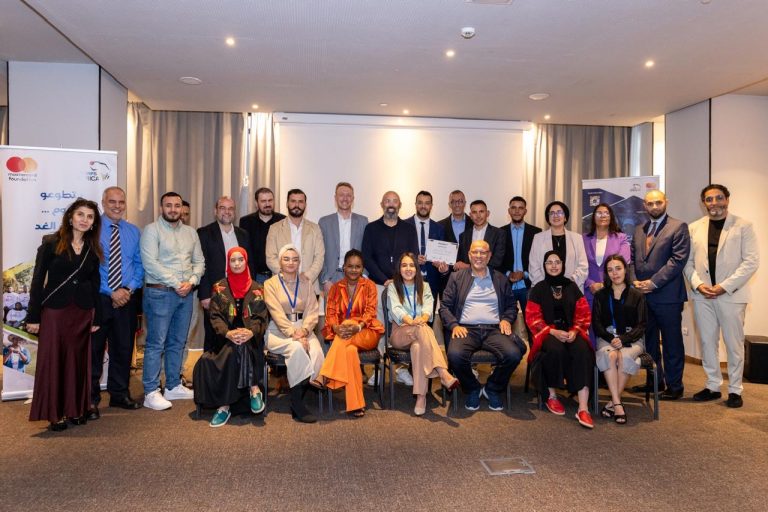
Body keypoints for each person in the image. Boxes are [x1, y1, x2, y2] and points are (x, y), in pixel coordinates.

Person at [26, 198, 103, 432]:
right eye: (80, 214)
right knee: (54, 361)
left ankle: (75, 409)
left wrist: (97, 317)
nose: (84, 220)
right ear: (70, 217)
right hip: (56, 312)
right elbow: (37, 281)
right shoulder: (51, 243)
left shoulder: (93, 249)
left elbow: (95, 285)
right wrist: (33, 317)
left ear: (93, 223)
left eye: (90, 217)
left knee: (78, 362)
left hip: (82, 312)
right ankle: (55, 413)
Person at [684, 184, 759, 408]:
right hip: (702, 295)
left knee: (733, 344)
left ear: (727, 199)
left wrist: (724, 286)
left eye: (719, 198)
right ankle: (713, 386)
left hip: (731, 296)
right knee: (708, 342)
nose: (714, 203)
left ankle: (735, 389)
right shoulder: (694, 227)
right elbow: (687, 263)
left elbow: (751, 262)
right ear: (704, 203)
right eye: (709, 199)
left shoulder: (743, 226)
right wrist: (698, 284)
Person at [440, 240, 526, 411]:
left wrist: (506, 319)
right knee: (455, 355)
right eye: (475, 252)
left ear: (489, 256)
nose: (479, 256)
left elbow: (511, 306)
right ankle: (472, 388)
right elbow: (445, 307)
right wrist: (454, 325)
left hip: (494, 329)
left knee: (513, 354)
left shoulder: (500, 279)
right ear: (469, 255)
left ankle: (492, 388)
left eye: (483, 252)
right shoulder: (456, 277)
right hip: (466, 329)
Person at [140, 191, 205, 411]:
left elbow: (199, 262)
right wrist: (178, 283)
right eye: (168, 205)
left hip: (185, 294)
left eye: (177, 206)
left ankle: (173, 385)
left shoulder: (190, 232)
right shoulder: (152, 230)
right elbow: (150, 264)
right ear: (161, 208)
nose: (173, 210)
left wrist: (192, 281)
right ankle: (150, 391)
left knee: (178, 342)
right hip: (160, 294)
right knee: (156, 343)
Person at [193, 247, 269, 427]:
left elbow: (261, 318)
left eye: (240, 260)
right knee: (236, 346)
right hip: (224, 340)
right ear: (228, 263)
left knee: (242, 344)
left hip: (251, 340)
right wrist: (228, 333)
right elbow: (215, 317)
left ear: (246, 261)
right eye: (233, 260)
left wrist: (250, 332)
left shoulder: (257, 288)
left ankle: (224, 407)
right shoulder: (219, 288)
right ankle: (254, 389)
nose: (236, 263)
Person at [90, 186, 145, 420]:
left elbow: (139, 265)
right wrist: (111, 291)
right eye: (112, 201)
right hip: (99, 298)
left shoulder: (133, 231)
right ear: (103, 202)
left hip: (127, 298)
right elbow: (90, 269)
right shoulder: (92, 229)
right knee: (94, 350)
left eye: (121, 202)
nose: (117, 206)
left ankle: (119, 394)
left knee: (123, 348)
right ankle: (90, 399)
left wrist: (128, 289)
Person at [632, 190, 690, 400]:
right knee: (649, 343)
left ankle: (675, 386)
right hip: (643, 296)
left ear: (666, 202)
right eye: (650, 203)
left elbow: (677, 260)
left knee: (671, 342)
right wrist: (634, 281)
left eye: (658, 202)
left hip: (668, 297)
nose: (654, 206)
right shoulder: (639, 229)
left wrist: (653, 282)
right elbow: (633, 260)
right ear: (644, 206)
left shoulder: (678, 226)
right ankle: (655, 382)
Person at [526, 251, 594, 429]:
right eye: (549, 262)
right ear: (544, 266)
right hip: (548, 333)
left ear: (563, 264)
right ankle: (552, 395)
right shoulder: (538, 288)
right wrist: (553, 332)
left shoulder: (572, 286)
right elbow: (532, 318)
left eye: (557, 262)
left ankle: (583, 407)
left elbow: (584, 313)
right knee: (554, 350)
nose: (554, 265)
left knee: (582, 350)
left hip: (572, 331)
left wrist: (575, 330)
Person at [387, 252, 459, 416]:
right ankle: (442, 372)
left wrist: (423, 318)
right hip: (400, 332)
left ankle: (421, 397)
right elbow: (396, 309)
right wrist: (411, 321)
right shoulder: (393, 286)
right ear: (399, 269)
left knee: (418, 347)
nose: (408, 269)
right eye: (404, 265)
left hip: (419, 331)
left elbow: (428, 307)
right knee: (423, 329)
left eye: (412, 265)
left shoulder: (425, 286)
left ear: (417, 268)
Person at [361, 190, 418, 386]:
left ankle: (401, 369)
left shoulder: (409, 229)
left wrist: (398, 280)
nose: (391, 204)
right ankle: (378, 369)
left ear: (400, 205)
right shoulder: (371, 228)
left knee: (402, 325)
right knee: (379, 326)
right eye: (387, 201)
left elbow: (412, 256)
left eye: (394, 201)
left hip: (404, 286)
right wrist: (384, 279)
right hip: (378, 285)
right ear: (382, 204)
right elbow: (367, 257)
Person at [263, 244, 325, 423]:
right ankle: (297, 404)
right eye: (286, 259)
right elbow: (276, 313)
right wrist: (294, 334)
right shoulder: (270, 284)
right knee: (297, 349)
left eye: (295, 259)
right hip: (278, 331)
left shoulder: (306, 282)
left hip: (304, 328)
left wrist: (304, 331)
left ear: (299, 263)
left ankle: (301, 391)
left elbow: (312, 311)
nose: (291, 263)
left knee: (317, 352)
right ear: (280, 262)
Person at [319, 249, 383, 417]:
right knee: (350, 351)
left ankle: (324, 375)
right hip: (344, 336)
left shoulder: (369, 286)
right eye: (350, 266)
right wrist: (335, 328)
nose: (354, 270)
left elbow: (370, 312)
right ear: (344, 267)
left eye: (357, 266)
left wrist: (358, 326)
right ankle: (356, 404)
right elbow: (331, 314)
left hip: (366, 333)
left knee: (348, 323)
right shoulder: (335, 288)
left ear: (362, 269)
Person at [592, 255, 646, 425]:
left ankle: (613, 403)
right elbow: (596, 324)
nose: (614, 273)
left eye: (618, 268)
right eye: (610, 270)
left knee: (624, 356)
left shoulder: (637, 295)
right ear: (606, 274)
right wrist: (611, 338)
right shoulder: (600, 295)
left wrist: (624, 339)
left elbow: (642, 325)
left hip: (632, 337)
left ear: (625, 270)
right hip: (607, 337)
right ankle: (617, 403)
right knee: (611, 355)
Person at [197, 196, 252, 352]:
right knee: (213, 335)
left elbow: (250, 264)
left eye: (230, 208)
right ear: (215, 211)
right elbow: (201, 264)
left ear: (234, 212)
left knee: (237, 335)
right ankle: (211, 366)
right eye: (222, 208)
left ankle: (234, 366)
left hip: (240, 293)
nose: (227, 212)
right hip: (215, 294)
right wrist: (204, 295)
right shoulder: (204, 233)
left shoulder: (243, 234)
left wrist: (251, 292)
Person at [265, 188, 325, 295]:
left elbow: (319, 257)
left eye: (300, 202)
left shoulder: (315, 228)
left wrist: (307, 276)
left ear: (305, 205)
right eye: (293, 201)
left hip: (309, 286)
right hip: (282, 286)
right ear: (287, 203)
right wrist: (287, 276)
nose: (296, 205)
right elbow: (270, 258)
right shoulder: (274, 228)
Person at [318, 182, 368, 295]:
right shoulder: (324, 222)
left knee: (357, 307)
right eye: (341, 195)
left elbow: (367, 252)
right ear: (335, 197)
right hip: (331, 279)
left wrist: (364, 276)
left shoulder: (363, 221)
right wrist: (325, 280)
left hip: (357, 276)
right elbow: (319, 253)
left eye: (348, 195)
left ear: (353, 198)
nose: (345, 198)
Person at [403, 190, 449, 315]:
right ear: (415, 204)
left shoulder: (439, 228)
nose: (423, 206)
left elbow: (443, 254)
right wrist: (413, 259)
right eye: (420, 203)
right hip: (409, 279)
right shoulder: (404, 225)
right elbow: (400, 252)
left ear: (431, 206)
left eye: (427, 203)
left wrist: (441, 264)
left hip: (432, 281)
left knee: (428, 318)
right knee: (408, 318)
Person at [529, 201, 588, 291]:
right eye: (552, 213)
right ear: (548, 218)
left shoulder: (577, 238)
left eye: (559, 212)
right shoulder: (538, 238)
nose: (556, 216)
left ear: (565, 217)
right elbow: (534, 267)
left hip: (572, 290)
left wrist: (569, 284)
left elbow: (583, 266)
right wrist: (547, 287)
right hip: (544, 291)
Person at [499, 196, 542, 323]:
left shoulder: (536, 233)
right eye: (513, 208)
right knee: (505, 325)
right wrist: (508, 274)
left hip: (529, 287)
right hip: (507, 287)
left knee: (533, 325)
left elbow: (540, 259)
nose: (517, 211)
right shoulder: (500, 232)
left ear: (525, 211)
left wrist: (525, 274)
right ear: (509, 211)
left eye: (520, 208)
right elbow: (497, 259)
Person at [583, 203, 631, 308]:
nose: (603, 216)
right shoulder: (583, 239)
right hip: (590, 292)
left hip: (614, 291)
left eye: (606, 213)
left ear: (611, 217)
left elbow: (623, 263)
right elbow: (578, 264)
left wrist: (604, 284)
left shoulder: (621, 238)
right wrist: (590, 284)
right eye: (599, 213)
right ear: (593, 217)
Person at [239, 187, 286, 285]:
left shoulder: (283, 220)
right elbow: (243, 250)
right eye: (263, 201)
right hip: (255, 277)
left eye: (270, 200)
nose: (267, 204)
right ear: (256, 203)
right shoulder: (246, 222)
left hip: (278, 275)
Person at [455, 199, 505, 271]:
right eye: (474, 212)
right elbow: (461, 261)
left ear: (487, 213)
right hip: (468, 277)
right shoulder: (463, 236)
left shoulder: (499, 234)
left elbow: (497, 262)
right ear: (470, 215)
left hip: (490, 276)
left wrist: (469, 266)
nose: (478, 216)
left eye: (481, 211)